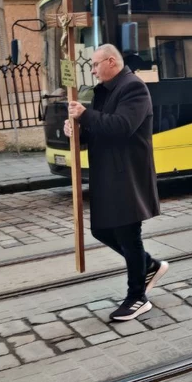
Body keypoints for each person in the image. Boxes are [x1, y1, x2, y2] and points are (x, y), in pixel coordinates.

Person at [65, 44, 168, 322]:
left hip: (128, 175)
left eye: (96, 65)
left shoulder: (133, 88)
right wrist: (76, 131)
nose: (93, 70)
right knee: (101, 229)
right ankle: (148, 265)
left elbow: (121, 126)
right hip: (108, 174)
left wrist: (85, 115)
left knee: (128, 234)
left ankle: (137, 297)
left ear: (112, 61)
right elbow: (100, 130)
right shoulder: (105, 91)